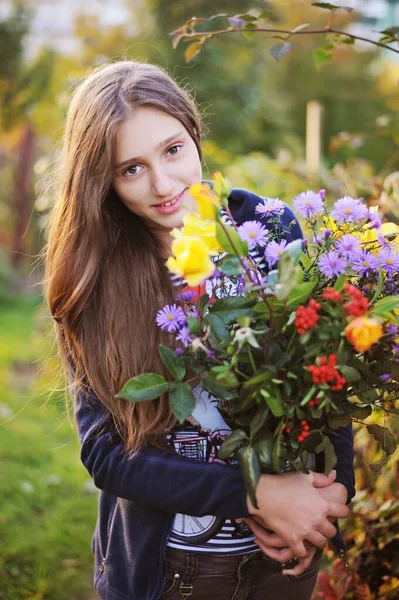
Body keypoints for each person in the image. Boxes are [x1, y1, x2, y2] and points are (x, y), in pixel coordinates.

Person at [44, 60, 355, 600]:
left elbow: (324, 373)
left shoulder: (268, 230)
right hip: (174, 571)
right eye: (131, 169)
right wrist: (254, 495)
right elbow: (107, 455)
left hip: (284, 561)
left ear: (194, 133)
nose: (164, 185)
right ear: (103, 181)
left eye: (172, 150)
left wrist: (333, 493)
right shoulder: (99, 276)